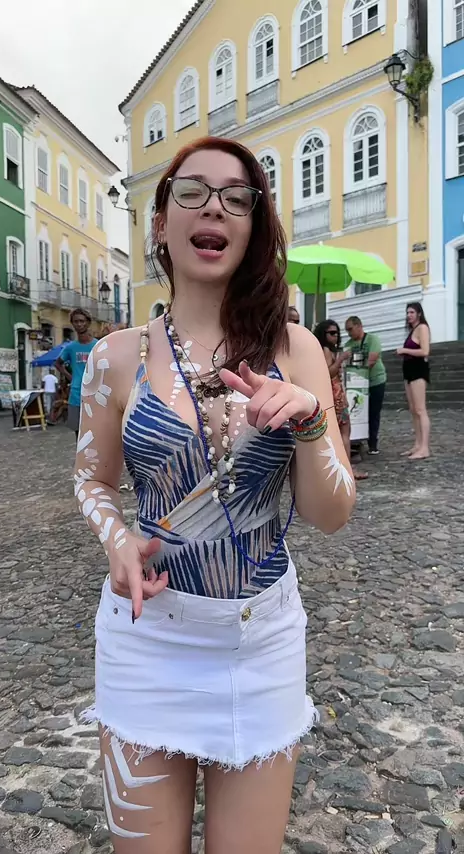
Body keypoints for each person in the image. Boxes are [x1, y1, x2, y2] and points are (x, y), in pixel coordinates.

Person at [74, 136, 355, 854]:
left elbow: (331, 514)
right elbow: (93, 479)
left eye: (237, 197)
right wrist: (117, 540)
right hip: (148, 642)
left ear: (254, 226)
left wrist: (309, 421)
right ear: (161, 221)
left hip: (260, 642)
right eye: (192, 192)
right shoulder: (117, 356)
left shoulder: (295, 349)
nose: (215, 209)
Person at [314, 319, 368, 481]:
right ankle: (347, 467)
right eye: (331, 333)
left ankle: (341, 466)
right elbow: (327, 373)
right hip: (334, 394)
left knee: (340, 431)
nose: (335, 336)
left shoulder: (328, 350)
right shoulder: (325, 350)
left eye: (337, 333)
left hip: (335, 393)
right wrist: (340, 359)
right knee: (344, 430)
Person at [344, 316, 387, 455]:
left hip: (375, 381)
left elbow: (372, 359)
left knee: (373, 412)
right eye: (347, 330)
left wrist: (359, 373)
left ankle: (372, 443)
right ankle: (356, 441)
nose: (349, 333)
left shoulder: (372, 339)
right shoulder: (349, 344)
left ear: (359, 326)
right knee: (356, 412)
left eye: (350, 329)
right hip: (356, 384)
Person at [55, 309, 97, 439]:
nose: (79, 324)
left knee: (96, 432)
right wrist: (70, 377)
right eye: (76, 321)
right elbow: (58, 363)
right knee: (78, 434)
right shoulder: (70, 348)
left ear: (88, 323)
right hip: (76, 395)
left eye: (82, 321)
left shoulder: (97, 345)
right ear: (72, 324)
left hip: (95, 394)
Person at [397, 301, 431, 459]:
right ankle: (417, 444)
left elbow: (425, 351)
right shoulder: (412, 330)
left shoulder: (422, 328)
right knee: (413, 409)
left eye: (411, 312)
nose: (409, 315)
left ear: (419, 313)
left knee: (420, 409)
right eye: (407, 312)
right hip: (409, 370)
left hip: (418, 370)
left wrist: (405, 350)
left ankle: (425, 447)